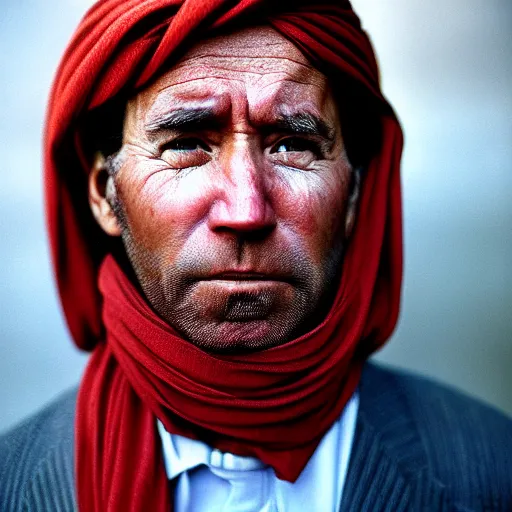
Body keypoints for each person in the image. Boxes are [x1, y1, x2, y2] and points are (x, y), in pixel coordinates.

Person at [0, 0, 511, 510]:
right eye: (186, 144)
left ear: (354, 193)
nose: (246, 211)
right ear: (103, 193)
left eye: (292, 145)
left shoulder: (493, 470)